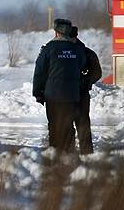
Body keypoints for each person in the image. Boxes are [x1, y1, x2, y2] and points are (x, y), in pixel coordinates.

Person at [33, 18, 87, 152]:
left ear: (56, 32)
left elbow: (39, 72)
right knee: (68, 124)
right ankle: (69, 152)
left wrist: (37, 93)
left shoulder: (48, 49)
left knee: (54, 125)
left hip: (53, 96)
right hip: (71, 95)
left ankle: (55, 152)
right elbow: (83, 64)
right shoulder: (77, 50)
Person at [68, 25, 102, 154]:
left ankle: (84, 152)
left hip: (79, 94)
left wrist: (84, 82)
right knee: (80, 124)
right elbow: (97, 73)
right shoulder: (86, 51)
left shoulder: (85, 52)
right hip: (77, 94)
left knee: (81, 123)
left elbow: (96, 73)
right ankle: (83, 152)